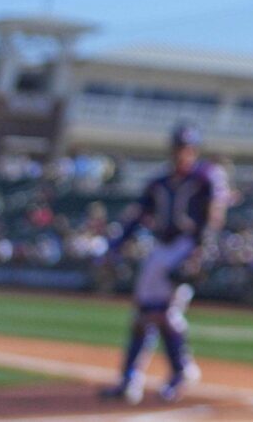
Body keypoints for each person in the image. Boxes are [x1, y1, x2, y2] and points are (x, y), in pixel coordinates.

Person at [97, 123, 226, 404]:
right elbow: (137, 216)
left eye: (187, 148)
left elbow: (213, 215)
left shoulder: (205, 177)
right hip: (161, 248)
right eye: (179, 147)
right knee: (142, 316)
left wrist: (199, 253)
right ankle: (131, 379)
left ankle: (180, 371)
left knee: (166, 314)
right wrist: (116, 246)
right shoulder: (159, 182)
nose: (182, 153)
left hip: (186, 245)